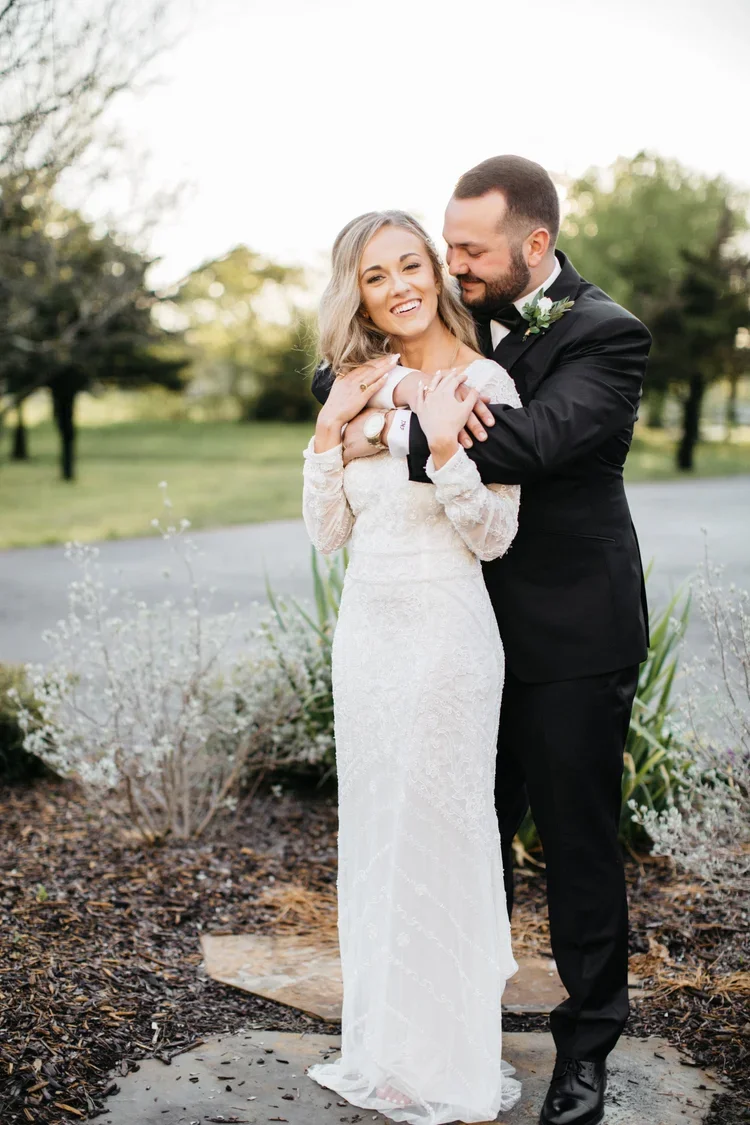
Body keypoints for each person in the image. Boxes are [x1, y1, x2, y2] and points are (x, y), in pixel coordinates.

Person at [313, 155, 651, 1125]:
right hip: (445, 637)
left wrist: (379, 429)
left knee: (579, 852)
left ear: (533, 246)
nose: (450, 265)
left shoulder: (606, 335)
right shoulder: (456, 321)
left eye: (468, 250)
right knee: (464, 843)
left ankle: (586, 1053)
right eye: (443, 246)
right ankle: (456, 1033)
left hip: (566, 636)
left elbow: (528, 445)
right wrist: (373, 404)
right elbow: (345, 364)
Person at [301, 209, 523, 1125]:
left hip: (445, 633)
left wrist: (438, 450)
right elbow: (327, 534)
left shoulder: (484, 379)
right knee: (379, 837)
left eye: (409, 266)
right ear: (356, 292)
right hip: (368, 637)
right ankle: (387, 1048)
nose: (399, 287)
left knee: (441, 834)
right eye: (375, 276)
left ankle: (451, 1060)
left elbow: (494, 534)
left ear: (434, 269)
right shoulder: (359, 380)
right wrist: (329, 430)